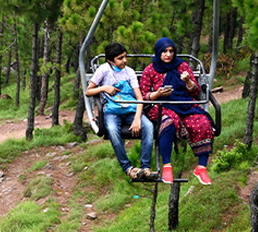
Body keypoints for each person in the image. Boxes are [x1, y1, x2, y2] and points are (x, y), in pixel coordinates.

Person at [139, 37, 215, 185]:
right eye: (164, 51)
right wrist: (158, 94)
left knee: (202, 122)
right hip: (161, 105)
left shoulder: (182, 66)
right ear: (158, 52)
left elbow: (195, 92)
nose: (168, 54)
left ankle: (201, 167)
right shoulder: (150, 70)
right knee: (169, 122)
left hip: (183, 103)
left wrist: (187, 81)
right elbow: (144, 95)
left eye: (171, 51)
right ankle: (167, 165)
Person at [85, 42, 156, 180]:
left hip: (130, 109)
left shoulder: (129, 72)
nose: (125, 60)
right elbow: (88, 91)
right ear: (110, 60)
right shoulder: (104, 70)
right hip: (112, 111)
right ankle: (128, 168)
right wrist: (104, 88)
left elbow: (139, 97)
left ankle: (145, 167)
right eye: (120, 58)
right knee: (112, 130)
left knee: (148, 126)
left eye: (125, 57)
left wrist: (137, 118)